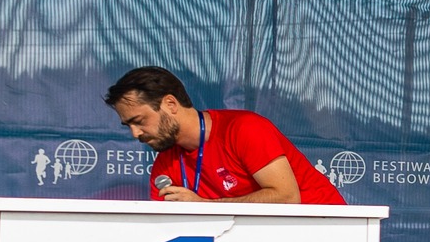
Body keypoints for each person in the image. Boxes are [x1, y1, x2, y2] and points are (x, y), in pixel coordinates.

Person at [105, 67, 344, 204]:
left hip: (327, 233)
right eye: (128, 125)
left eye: (139, 121)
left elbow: (287, 197)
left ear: (170, 104)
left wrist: (206, 207)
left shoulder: (244, 128)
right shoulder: (165, 167)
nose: (135, 133)